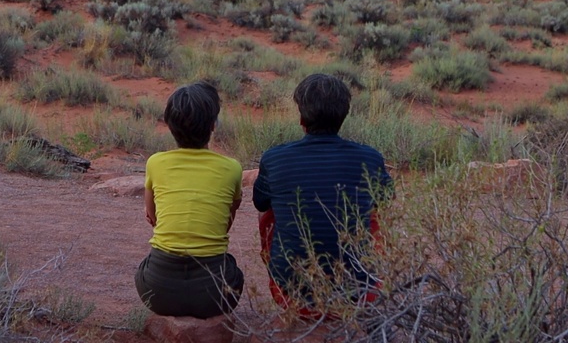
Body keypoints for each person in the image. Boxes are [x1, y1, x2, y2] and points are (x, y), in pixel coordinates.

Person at [252, 73, 392, 311]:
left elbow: (259, 203)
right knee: (374, 212)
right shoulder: (371, 158)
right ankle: (365, 272)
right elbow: (386, 201)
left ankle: (290, 275)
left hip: (291, 293)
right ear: (344, 116)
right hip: (358, 293)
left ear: (301, 118)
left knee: (270, 211)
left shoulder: (275, 158)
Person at [134, 82, 245, 318]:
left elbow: (152, 217)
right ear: (214, 125)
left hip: (157, 292)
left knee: (145, 265)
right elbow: (226, 222)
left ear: (169, 125)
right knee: (233, 267)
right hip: (215, 295)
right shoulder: (232, 168)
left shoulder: (155, 163)